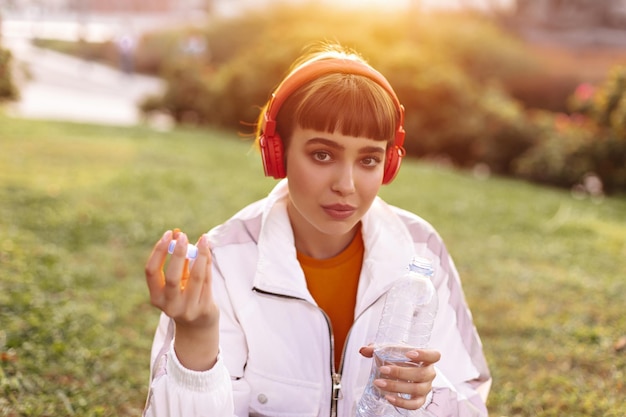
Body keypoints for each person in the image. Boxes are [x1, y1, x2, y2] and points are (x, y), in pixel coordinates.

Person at [143, 43, 491, 416]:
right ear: (278, 153)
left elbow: (469, 398)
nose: (347, 184)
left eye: (369, 160)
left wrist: (428, 395)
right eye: (322, 155)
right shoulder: (223, 263)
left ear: (388, 166)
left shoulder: (421, 249)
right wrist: (196, 340)